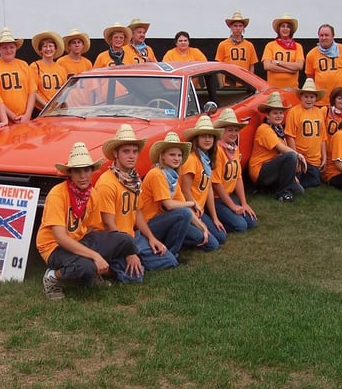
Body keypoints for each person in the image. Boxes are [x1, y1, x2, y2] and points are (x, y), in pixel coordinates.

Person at [36, 142, 136, 300]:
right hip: (53, 246)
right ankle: (52, 276)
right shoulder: (57, 194)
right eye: (77, 171)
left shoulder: (92, 193)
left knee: (126, 240)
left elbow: (95, 228)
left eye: (86, 170)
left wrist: (122, 250)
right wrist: (95, 256)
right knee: (85, 266)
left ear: (92, 171)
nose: (83, 176)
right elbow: (60, 238)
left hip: (80, 239)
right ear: (70, 173)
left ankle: (91, 270)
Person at [91, 124, 178, 281]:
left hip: (132, 236)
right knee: (135, 278)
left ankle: (136, 260)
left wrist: (152, 238)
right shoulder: (107, 183)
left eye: (135, 151)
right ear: (115, 154)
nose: (131, 156)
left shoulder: (134, 179)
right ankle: (108, 268)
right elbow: (109, 224)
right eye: (126, 151)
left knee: (169, 261)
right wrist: (129, 252)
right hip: (111, 239)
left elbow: (137, 212)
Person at [138, 132, 213, 255]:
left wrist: (202, 227)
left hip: (168, 219)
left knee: (207, 240)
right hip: (150, 224)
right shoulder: (156, 173)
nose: (177, 158)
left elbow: (183, 204)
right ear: (162, 156)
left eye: (179, 155)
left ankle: (170, 240)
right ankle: (171, 253)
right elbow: (169, 205)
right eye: (172, 154)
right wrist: (192, 203)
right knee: (183, 213)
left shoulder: (173, 176)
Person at [247, 91, 306, 202]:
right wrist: (299, 155)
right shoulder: (264, 129)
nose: (279, 116)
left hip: (274, 166)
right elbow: (282, 149)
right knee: (291, 156)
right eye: (275, 113)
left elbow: (281, 154)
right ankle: (282, 193)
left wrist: (292, 176)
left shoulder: (278, 129)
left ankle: (266, 189)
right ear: (267, 115)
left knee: (299, 190)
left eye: (281, 113)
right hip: (260, 170)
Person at [180, 115, 227, 247]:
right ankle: (180, 234)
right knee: (213, 245)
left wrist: (215, 218)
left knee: (221, 237)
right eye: (203, 136)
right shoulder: (191, 159)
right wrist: (195, 208)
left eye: (210, 136)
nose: (207, 139)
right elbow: (185, 190)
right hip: (189, 210)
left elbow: (208, 189)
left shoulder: (207, 159)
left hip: (199, 210)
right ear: (196, 139)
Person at [211, 108, 258, 233]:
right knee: (240, 226)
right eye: (229, 130)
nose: (233, 133)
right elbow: (216, 184)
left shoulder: (234, 148)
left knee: (252, 222)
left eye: (236, 130)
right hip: (217, 198)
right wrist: (232, 206)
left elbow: (238, 177)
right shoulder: (217, 150)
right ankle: (212, 218)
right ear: (221, 132)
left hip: (229, 195)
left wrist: (244, 203)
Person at [0, 27, 36, 123]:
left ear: (16, 48)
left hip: (24, 118)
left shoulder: (24, 65)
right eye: (4, 47)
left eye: (11, 47)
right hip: (1, 119)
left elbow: (32, 92)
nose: (9, 50)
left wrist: (27, 114)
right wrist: (13, 116)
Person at [284, 78, 327, 188]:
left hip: (314, 159)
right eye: (306, 96)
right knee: (297, 178)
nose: (309, 99)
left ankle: (296, 183)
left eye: (312, 97)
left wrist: (324, 157)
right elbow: (290, 136)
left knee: (316, 180)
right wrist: (296, 157)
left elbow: (323, 137)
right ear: (301, 97)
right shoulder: (294, 111)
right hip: (300, 156)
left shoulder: (319, 112)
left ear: (316, 98)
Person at [305, 24, 342, 106]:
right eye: (321, 35)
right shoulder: (311, 54)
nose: (324, 38)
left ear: (333, 36)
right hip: (321, 101)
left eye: (327, 35)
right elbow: (310, 76)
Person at [29, 30, 68, 112]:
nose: (48, 49)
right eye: (45, 46)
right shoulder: (35, 66)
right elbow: (33, 91)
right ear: (40, 50)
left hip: (57, 110)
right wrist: (47, 106)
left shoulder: (61, 69)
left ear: (55, 49)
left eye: (51, 46)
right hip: (40, 110)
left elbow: (64, 92)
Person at [262, 14, 304, 89]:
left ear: (291, 30)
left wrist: (278, 62)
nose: (285, 29)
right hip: (273, 89)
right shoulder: (270, 45)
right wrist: (290, 70)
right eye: (283, 26)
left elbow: (299, 66)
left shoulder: (298, 46)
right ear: (279, 29)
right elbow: (267, 66)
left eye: (288, 27)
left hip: (292, 89)